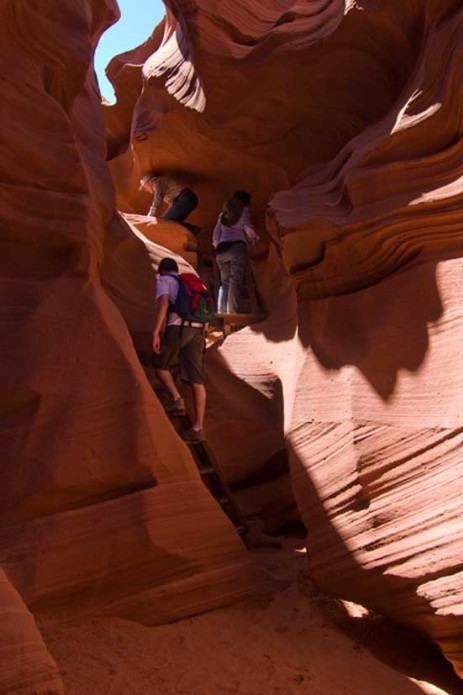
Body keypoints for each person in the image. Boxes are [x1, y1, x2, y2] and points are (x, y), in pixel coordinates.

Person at [152, 257, 207, 443]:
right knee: (196, 380)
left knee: (160, 365)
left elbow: (164, 304)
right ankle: (198, 427)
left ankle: (177, 400)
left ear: (162, 271)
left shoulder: (164, 280)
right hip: (198, 330)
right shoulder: (191, 283)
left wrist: (156, 332)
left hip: (178, 327)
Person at [212, 190, 258, 313]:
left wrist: (217, 246)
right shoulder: (244, 210)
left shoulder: (223, 214)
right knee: (235, 281)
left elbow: (216, 234)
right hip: (237, 247)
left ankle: (222, 311)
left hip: (221, 250)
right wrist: (255, 239)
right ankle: (232, 312)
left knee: (224, 282)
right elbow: (247, 227)